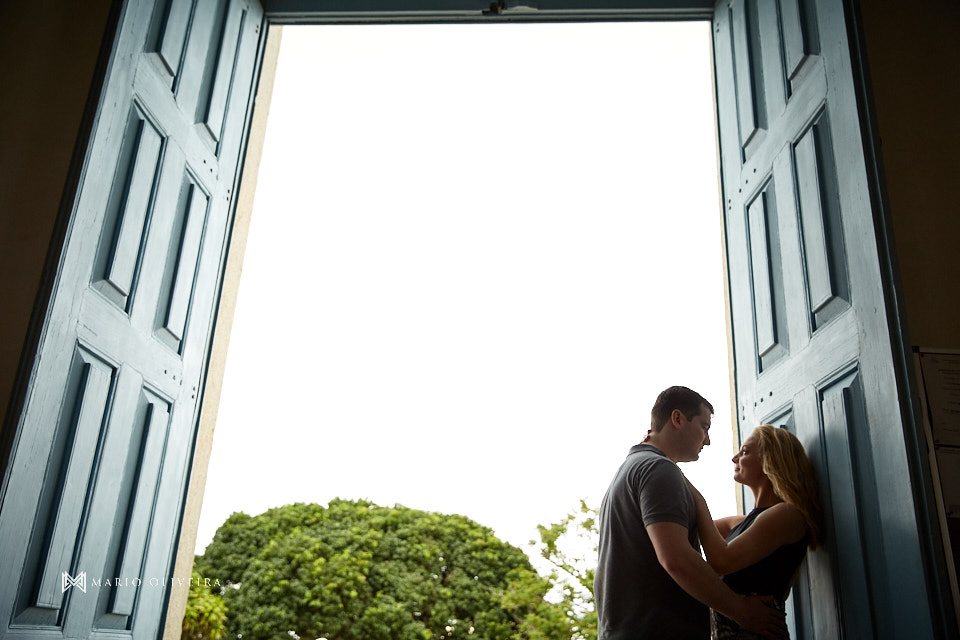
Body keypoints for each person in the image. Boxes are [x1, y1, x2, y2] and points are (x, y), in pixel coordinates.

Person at [594, 386, 787, 640]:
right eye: (704, 427)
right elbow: (675, 558)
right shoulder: (657, 469)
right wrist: (740, 610)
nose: (707, 439)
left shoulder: (631, 469)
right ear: (677, 419)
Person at [687, 425, 822, 640]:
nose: (734, 458)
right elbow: (686, 529)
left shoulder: (787, 515)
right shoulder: (740, 524)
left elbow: (721, 561)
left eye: (745, 452)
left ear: (771, 460)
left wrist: (693, 493)